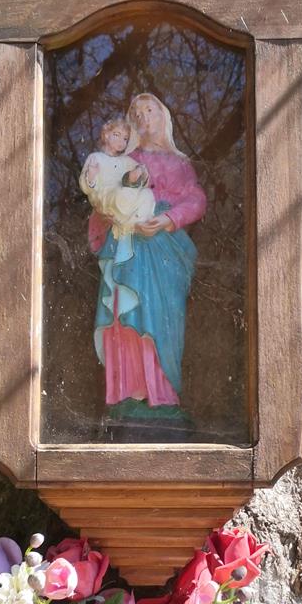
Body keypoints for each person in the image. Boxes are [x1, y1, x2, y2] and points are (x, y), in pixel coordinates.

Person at [88, 92, 207, 423]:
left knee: (159, 315)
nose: (143, 117)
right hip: (127, 244)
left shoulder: (179, 163)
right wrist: (111, 213)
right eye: (136, 114)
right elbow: (103, 198)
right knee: (123, 310)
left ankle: (162, 394)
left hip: (164, 250)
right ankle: (126, 393)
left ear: (163, 115)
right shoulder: (123, 161)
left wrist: (168, 219)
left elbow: (196, 200)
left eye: (149, 110)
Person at [79, 118, 155, 264]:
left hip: (125, 201)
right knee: (121, 193)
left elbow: (145, 180)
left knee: (147, 194)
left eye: (125, 138)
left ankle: (132, 225)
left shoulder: (126, 161)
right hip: (107, 199)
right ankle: (125, 226)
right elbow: (86, 188)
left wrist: (141, 173)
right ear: (106, 135)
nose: (121, 141)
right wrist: (91, 176)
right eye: (117, 135)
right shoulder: (96, 157)